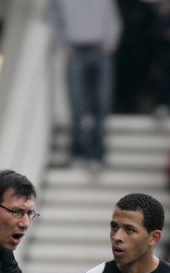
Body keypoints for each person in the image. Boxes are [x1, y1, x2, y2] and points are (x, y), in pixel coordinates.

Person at [49, 0, 122, 169]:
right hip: (76, 50)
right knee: (77, 103)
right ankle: (78, 152)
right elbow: (53, 18)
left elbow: (113, 19)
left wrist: (110, 43)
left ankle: (98, 153)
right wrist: (63, 45)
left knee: (101, 103)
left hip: (100, 50)